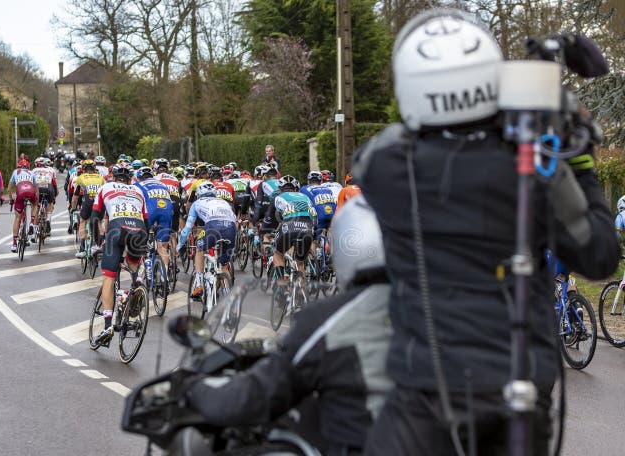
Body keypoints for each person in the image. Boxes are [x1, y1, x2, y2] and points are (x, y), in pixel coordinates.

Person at [353, 9, 619, 455]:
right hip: (516, 390)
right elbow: (598, 255)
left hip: (422, 389)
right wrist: (574, 156)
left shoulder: (384, 166)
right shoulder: (528, 167)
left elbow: (398, 139)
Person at [187, 196, 392, 456]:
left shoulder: (325, 321)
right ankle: (302, 286)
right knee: (303, 263)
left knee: (278, 255)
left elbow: (266, 388)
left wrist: (200, 391)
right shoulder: (434, 313)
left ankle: (284, 291)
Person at [84, 164, 149, 347]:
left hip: (116, 230)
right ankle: (136, 290)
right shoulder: (137, 190)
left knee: (109, 277)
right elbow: (146, 220)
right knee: (133, 266)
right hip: (139, 231)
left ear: (113, 178)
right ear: (129, 180)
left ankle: (107, 327)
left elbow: (95, 217)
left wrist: (98, 243)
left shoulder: (105, 187)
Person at [177, 182, 236, 298]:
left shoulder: (196, 203)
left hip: (213, 227)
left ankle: (199, 284)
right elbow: (234, 219)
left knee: (199, 249)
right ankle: (229, 301)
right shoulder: (224, 202)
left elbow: (188, 227)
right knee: (224, 267)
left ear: (199, 194)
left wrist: (180, 245)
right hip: (231, 228)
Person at [264, 175, 316, 286]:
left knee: (278, 254)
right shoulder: (305, 197)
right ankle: (302, 293)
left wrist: (265, 232)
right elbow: (314, 217)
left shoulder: (278, 197)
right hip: (307, 227)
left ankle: (281, 285)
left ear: (280, 189)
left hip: (289, 227)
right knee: (300, 263)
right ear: (296, 188)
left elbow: (269, 220)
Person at [134, 166, 174, 270]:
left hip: (150, 210)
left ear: (139, 177)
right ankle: (165, 277)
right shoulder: (162, 184)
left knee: (142, 242)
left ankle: (143, 273)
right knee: (163, 246)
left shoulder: (138, 184)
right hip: (166, 209)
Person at [72, 160, 106, 258]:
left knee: (83, 221)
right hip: (99, 202)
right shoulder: (100, 178)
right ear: (94, 169)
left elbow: (75, 196)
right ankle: (101, 245)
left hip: (88, 201)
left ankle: (82, 249)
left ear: (83, 169)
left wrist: (73, 208)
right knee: (99, 221)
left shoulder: (80, 177)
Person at [7, 160, 38, 253]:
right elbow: (36, 189)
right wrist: (37, 201)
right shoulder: (32, 172)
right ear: (28, 167)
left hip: (20, 193)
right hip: (31, 191)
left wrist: (11, 199)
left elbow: (9, 188)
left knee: (17, 217)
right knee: (34, 205)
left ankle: (14, 244)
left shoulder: (15, 172)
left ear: (19, 166)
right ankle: (32, 223)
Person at [300, 171, 337, 243]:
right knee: (330, 230)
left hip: (319, 215)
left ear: (308, 181)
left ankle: (313, 252)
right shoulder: (328, 189)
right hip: (332, 212)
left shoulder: (304, 189)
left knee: (314, 239)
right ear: (321, 181)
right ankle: (329, 250)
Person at [32, 157, 58, 238]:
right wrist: (55, 195)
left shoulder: (33, 170)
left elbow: (31, 183)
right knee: (50, 203)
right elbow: (54, 184)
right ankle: (47, 219)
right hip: (48, 187)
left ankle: (35, 232)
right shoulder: (50, 170)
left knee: (35, 207)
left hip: (37, 188)